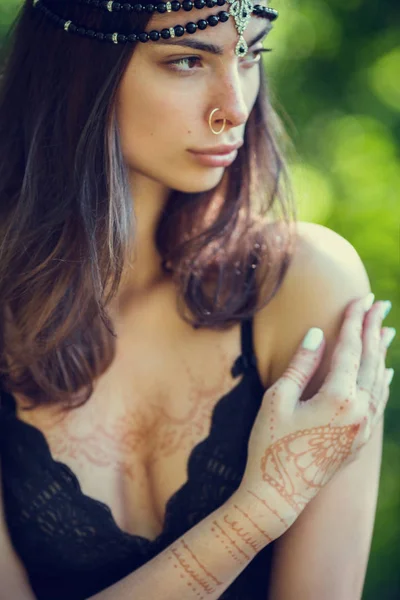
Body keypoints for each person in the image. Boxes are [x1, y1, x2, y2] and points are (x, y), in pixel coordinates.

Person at [0, 0, 396, 598]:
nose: (234, 108)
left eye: (251, 54)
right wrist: (264, 506)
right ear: (79, 65)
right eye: (186, 60)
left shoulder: (301, 286)